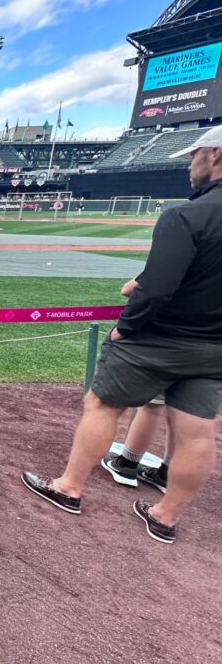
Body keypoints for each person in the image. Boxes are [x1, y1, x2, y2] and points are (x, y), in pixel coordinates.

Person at [22, 127, 222, 544]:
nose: (190, 164)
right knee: (198, 431)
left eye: (194, 156)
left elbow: (160, 287)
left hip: (158, 338)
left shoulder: (185, 215)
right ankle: (166, 517)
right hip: (214, 348)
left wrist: (125, 327)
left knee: (101, 406)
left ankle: (69, 487)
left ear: (215, 155)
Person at [100, 278, 171, 492]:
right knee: (185, 411)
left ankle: (127, 464)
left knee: (153, 405)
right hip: (210, 344)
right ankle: (166, 472)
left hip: (172, 339)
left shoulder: (188, 256)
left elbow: (129, 289)